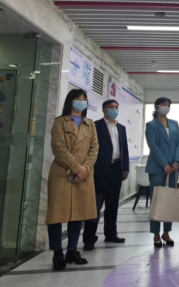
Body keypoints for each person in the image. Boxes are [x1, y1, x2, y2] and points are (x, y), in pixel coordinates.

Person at [46, 89, 99, 270]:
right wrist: (77, 168)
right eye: (78, 98)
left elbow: (94, 149)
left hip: (83, 175)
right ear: (70, 101)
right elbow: (59, 148)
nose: (81, 102)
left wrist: (85, 169)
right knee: (56, 215)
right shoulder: (60, 122)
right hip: (62, 173)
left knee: (78, 214)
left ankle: (72, 251)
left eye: (84, 99)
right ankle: (57, 253)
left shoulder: (90, 124)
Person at [83, 99, 130, 251]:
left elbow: (124, 149)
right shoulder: (95, 126)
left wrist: (125, 168)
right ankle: (89, 238)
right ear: (104, 110)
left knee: (112, 205)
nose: (114, 110)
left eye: (116, 107)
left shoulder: (121, 128)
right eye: (111, 107)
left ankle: (111, 234)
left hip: (116, 170)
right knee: (95, 206)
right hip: (99, 171)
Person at [144, 97, 179, 248]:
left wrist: (176, 162)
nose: (166, 107)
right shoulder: (151, 125)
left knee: (169, 202)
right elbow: (153, 146)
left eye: (168, 105)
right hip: (157, 168)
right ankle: (156, 234)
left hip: (173, 169)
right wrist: (164, 164)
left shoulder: (174, 123)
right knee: (157, 202)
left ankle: (166, 232)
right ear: (156, 107)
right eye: (163, 104)